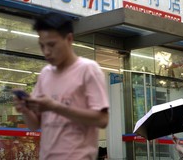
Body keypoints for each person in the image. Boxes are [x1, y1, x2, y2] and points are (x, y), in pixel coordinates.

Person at [13, 13, 110, 160]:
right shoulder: (45, 74)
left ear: (69, 39)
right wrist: (25, 110)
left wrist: (55, 107)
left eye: (52, 45)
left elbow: (102, 120)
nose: (46, 51)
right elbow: (35, 125)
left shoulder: (88, 69)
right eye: (42, 45)